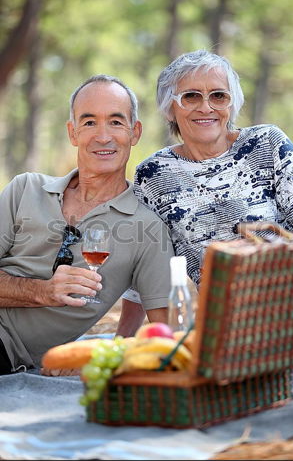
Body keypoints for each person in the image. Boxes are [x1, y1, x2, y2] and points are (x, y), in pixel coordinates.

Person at [119, 49, 293, 325]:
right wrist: (122, 342)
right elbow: (144, 267)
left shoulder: (266, 142)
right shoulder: (153, 173)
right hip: (226, 320)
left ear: (231, 103)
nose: (206, 107)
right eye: (190, 96)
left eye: (218, 95)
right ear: (170, 107)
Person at [0, 74, 174, 375]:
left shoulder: (148, 229)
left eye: (116, 122)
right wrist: (43, 291)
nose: (103, 136)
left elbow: (167, 334)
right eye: (90, 122)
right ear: (73, 132)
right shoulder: (24, 188)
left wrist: (117, 354)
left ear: (135, 132)